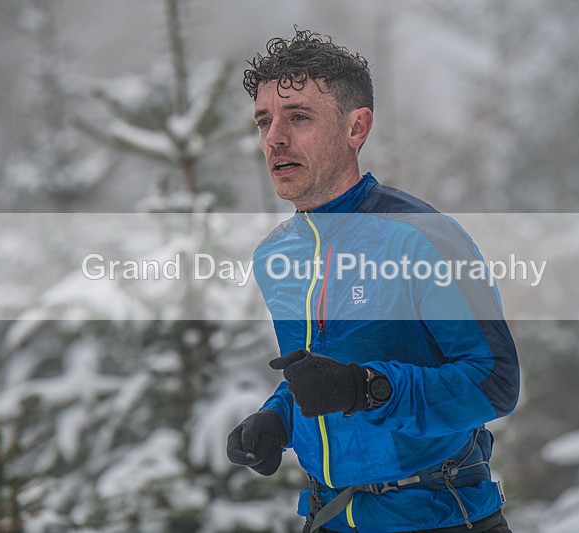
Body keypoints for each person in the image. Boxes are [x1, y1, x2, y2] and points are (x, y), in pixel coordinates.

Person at [227, 28, 519, 533]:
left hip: (436, 517)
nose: (274, 137)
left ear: (356, 128)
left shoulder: (420, 238)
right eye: (264, 120)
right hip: (330, 517)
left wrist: (368, 389)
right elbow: (325, 372)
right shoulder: (277, 254)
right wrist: (278, 417)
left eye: (298, 117)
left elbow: (494, 383)